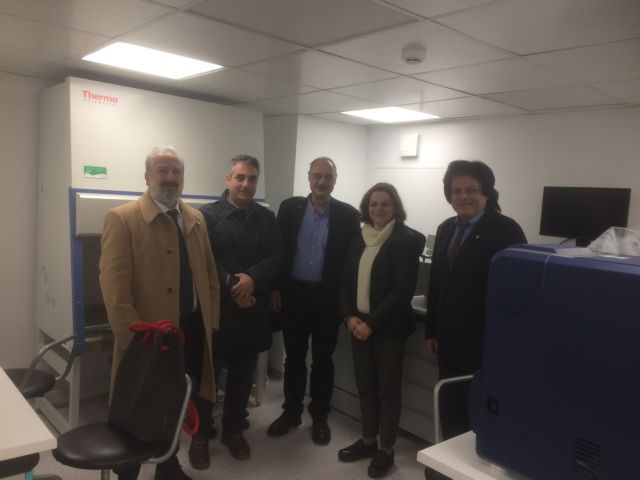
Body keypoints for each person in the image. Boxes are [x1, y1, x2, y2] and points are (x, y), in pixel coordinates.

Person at [99, 146, 219, 480]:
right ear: (147, 176)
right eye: (162, 170)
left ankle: (168, 466)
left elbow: (209, 276)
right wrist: (137, 343)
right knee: (138, 408)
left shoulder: (195, 218)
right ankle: (127, 475)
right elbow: (115, 293)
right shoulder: (122, 218)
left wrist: (211, 323)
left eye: (176, 171)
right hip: (148, 337)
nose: (170, 178)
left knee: (178, 401)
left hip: (190, 331)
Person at [425, 160, 527, 441]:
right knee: (449, 408)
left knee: (478, 417)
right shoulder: (446, 228)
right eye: (456, 190)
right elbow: (436, 282)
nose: (463, 196)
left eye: (471, 190)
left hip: (484, 344)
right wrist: (431, 329)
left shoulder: (505, 230)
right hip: (448, 342)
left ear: (486, 193)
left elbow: (517, 292)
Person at [267, 157, 360, 445]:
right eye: (317, 175)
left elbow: (351, 263)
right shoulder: (290, 208)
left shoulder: (348, 215)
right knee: (294, 358)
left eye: (328, 177)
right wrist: (275, 288)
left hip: (326, 299)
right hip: (294, 295)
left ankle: (320, 416)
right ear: (308, 177)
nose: (322, 181)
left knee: (322, 360)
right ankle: (291, 412)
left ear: (335, 180)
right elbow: (278, 250)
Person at [197, 154, 283, 463]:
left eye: (252, 179)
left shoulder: (267, 218)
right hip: (218, 310)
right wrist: (236, 284)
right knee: (207, 375)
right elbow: (206, 260)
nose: (246, 184)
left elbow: (276, 256)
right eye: (240, 177)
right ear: (228, 179)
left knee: (243, 374)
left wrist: (252, 279)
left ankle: (233, 429)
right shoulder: (206, 216)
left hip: (252, 308)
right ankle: (201, 433)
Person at [337, 182, 425, 479]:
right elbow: (345, 279)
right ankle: (367, 441)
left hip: (387, 329)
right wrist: (349, 316)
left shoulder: (407, 240)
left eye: (385, 204)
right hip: (357, 325)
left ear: (395, 208)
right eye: (373, 204)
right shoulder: (358, 237)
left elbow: (402, 290)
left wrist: (370, 324)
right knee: (366, 387)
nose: (378, 209)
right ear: (366, 207)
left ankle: (386, 449)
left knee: (388, 390)